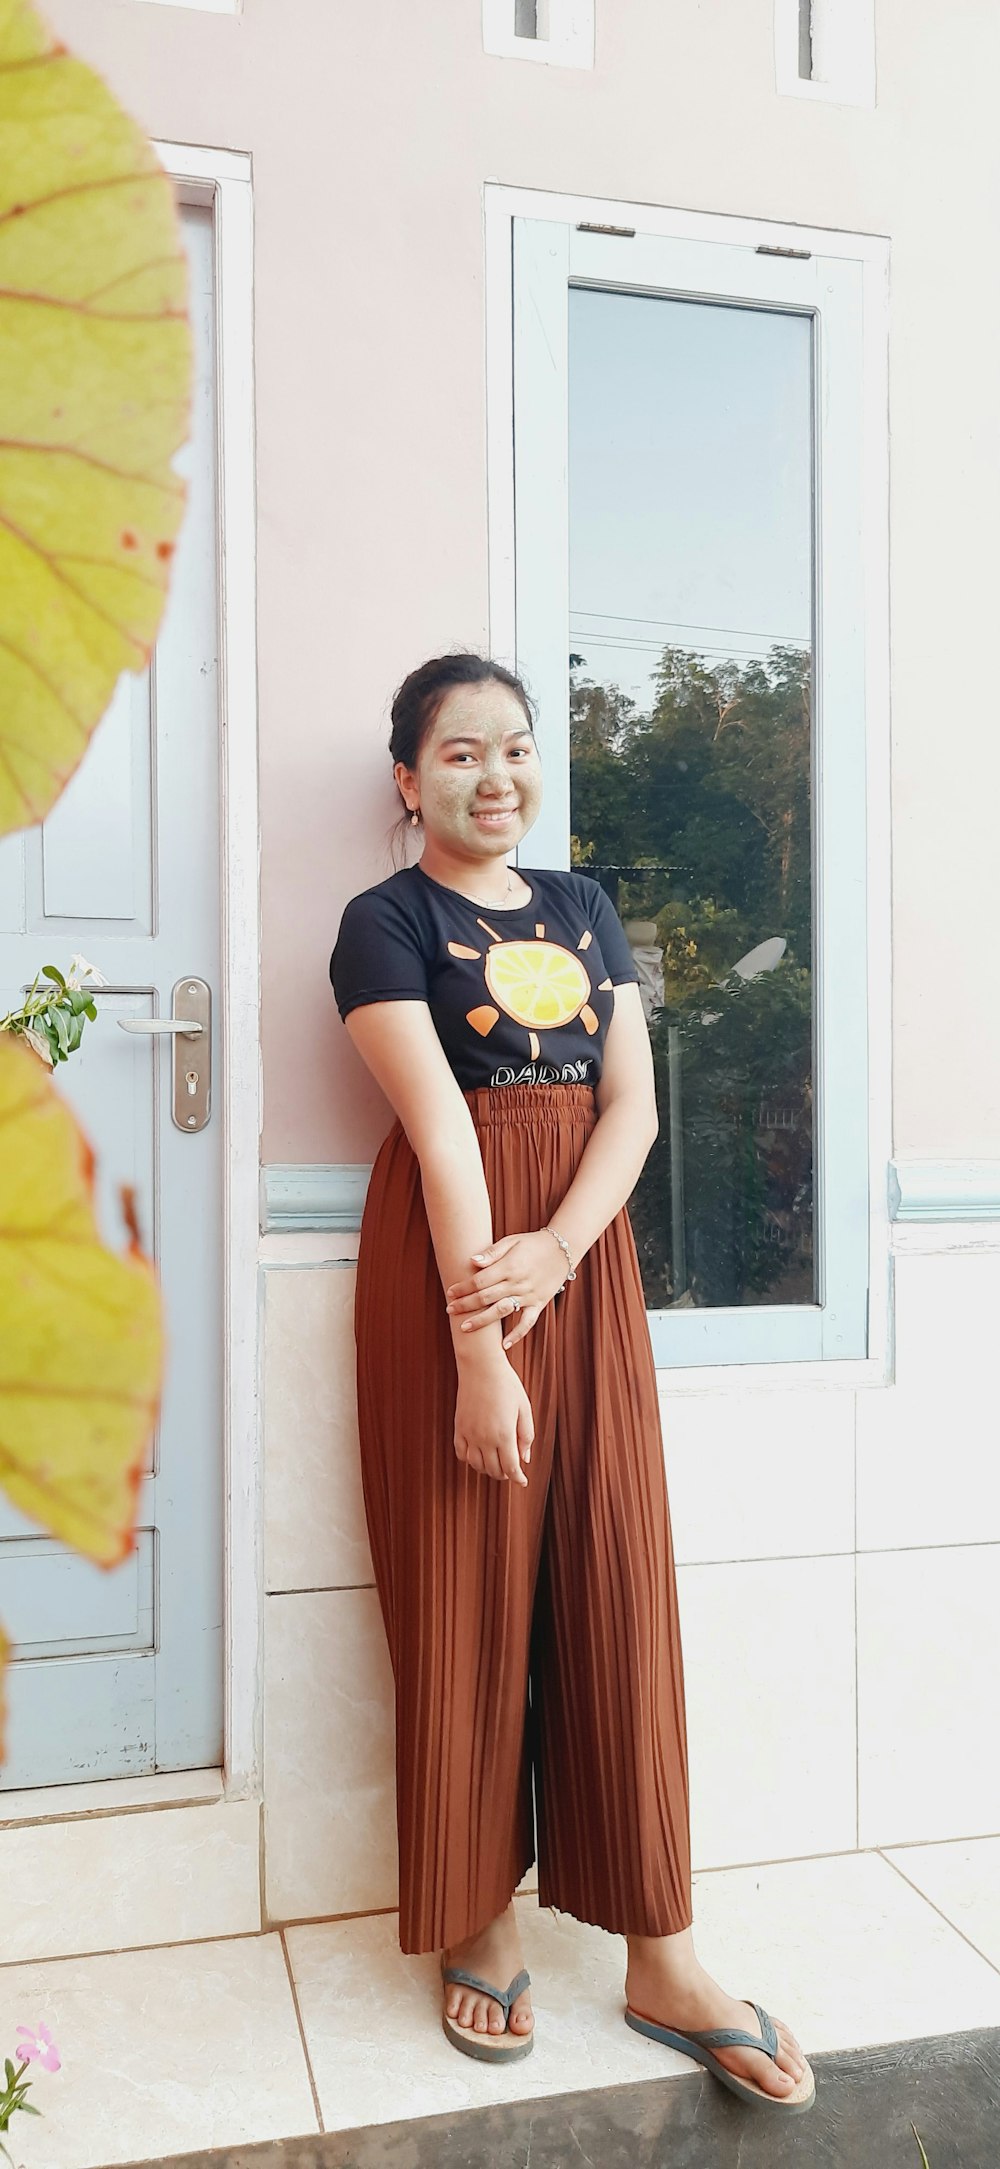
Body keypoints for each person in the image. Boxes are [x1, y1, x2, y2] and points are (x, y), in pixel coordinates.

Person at [329, 652, 814, 2114]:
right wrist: (484, 1338)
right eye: (461, 751)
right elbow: (440, 1130)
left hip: (579, 1265)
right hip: (452, 1260)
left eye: (517, 749)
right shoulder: (383, 921)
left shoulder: (589, 909)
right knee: (465, 1580)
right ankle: (477, 1910)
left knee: (611, 1579)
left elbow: (636, 1103)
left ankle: (661, 1946)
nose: (497, 774)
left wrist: (560, 1256)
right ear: (409, 780)